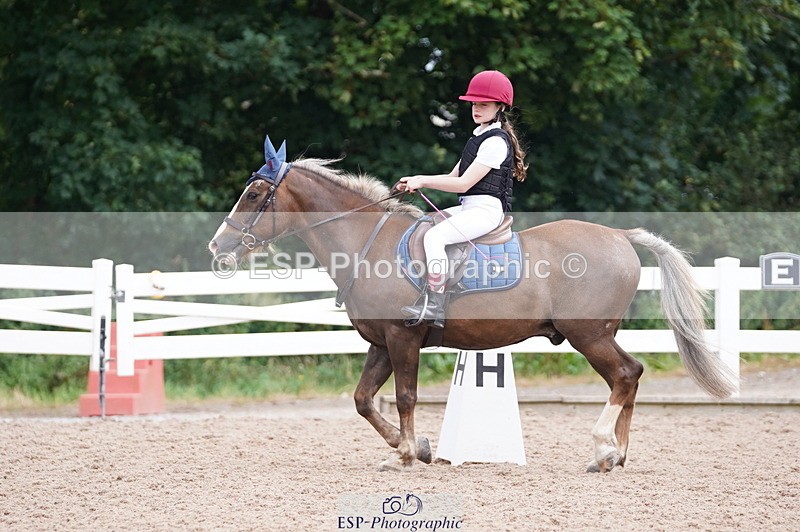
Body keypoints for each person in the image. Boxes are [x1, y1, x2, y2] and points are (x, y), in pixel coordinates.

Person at [394, 69, 528, 327]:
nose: (476, 109)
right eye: (474, 104)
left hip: (486, 211)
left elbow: (464, 183)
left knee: (436, 236)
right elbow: (452, 175)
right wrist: (415, 178)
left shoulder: (496, 143)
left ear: (500, 107)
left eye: (483, 105)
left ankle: (435, 304)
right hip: (468, 207)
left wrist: (422, 180)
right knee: (425, 223)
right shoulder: (478, 137)